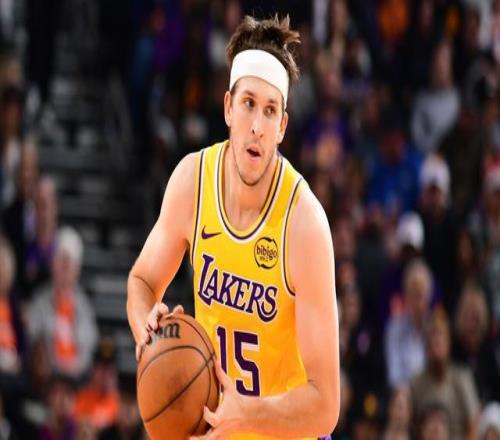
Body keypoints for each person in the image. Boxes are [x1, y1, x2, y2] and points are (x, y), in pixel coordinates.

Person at [127, 14, 340, 439]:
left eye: (270, 110)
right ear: (227, 107)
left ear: (282, 127)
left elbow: (326, 405)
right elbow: (142, 280)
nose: (257, 126)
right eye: (248, 104)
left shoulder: (304, 224)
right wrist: (145, 322)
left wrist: (249, 414)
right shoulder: (192, 182)